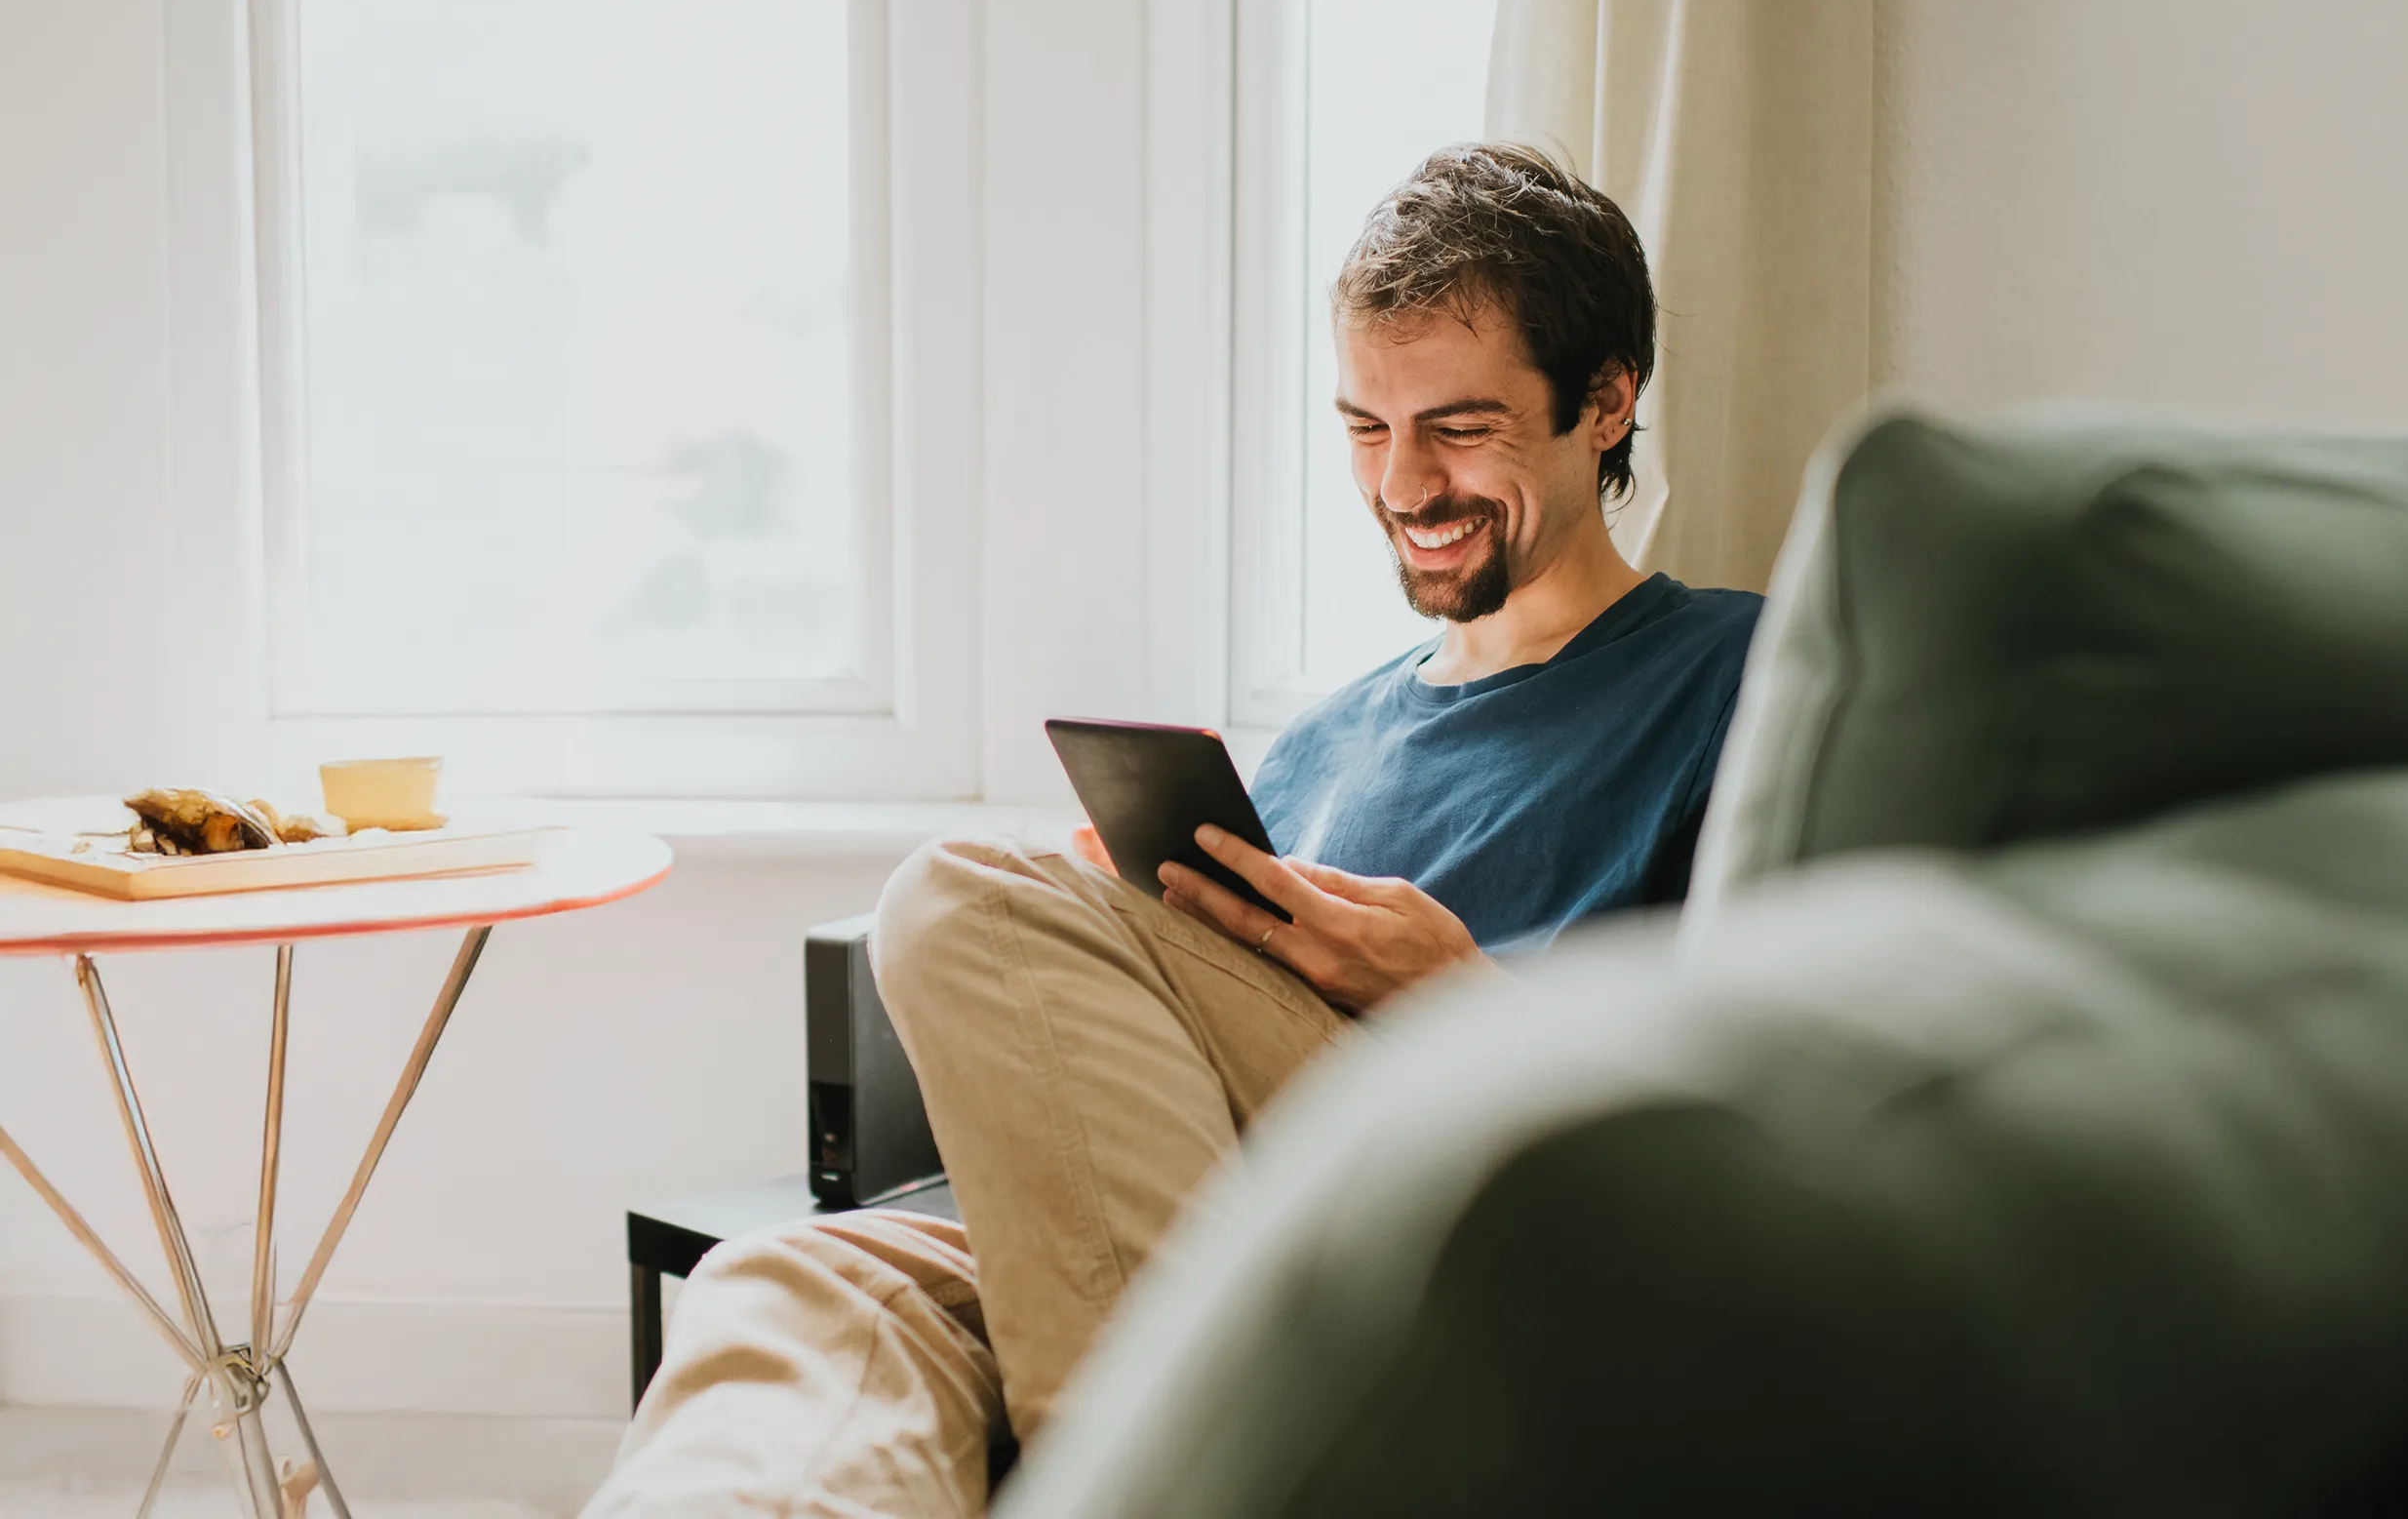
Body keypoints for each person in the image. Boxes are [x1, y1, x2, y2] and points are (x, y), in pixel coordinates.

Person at [586, 144, 1763, 1518]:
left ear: (1606, 403)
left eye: (1459, 427)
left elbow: (1766, 1116)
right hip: (1228, 1210)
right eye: (1364, 429)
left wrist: (1462, 997)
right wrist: (1122, 949)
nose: (1403, 486)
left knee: (961, 895)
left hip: (1456, 1192)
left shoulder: (1742, 677)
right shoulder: (1326, 741)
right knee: (794, 1283)